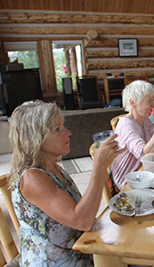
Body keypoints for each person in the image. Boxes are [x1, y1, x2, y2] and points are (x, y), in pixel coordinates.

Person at [9, 100, 124, 266]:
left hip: (80, 250)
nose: (68, 132)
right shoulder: (32, 178)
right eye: (57, 129)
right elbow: (82, 221)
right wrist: (99, 167)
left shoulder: (53, 167)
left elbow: (84, 214)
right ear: (36, 138)